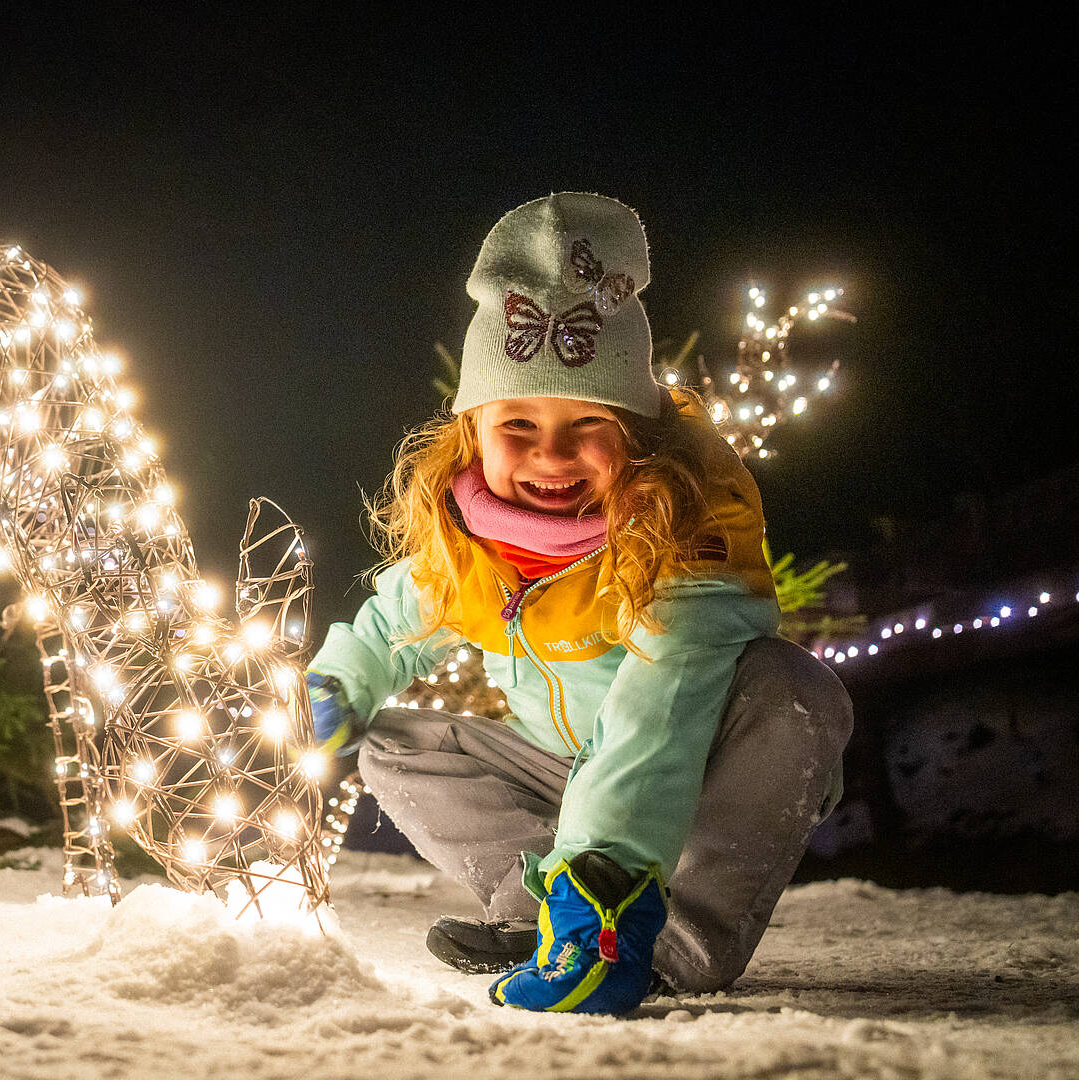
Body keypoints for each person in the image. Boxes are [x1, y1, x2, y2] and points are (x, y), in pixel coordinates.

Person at [305, 192, 853, 1016]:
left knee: (797, 693)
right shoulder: (469, 537)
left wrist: (607, 866)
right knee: (392, 744)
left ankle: (649, 933)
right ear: (472, 431)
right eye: (517, 422)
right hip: (563, 769)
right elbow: (392, 623)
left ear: (634, 431)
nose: (550, 454)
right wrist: (335, 689)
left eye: (587, 422)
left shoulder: (690, 526)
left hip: (700, 760)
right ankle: (548, 917)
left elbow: (656, 714)